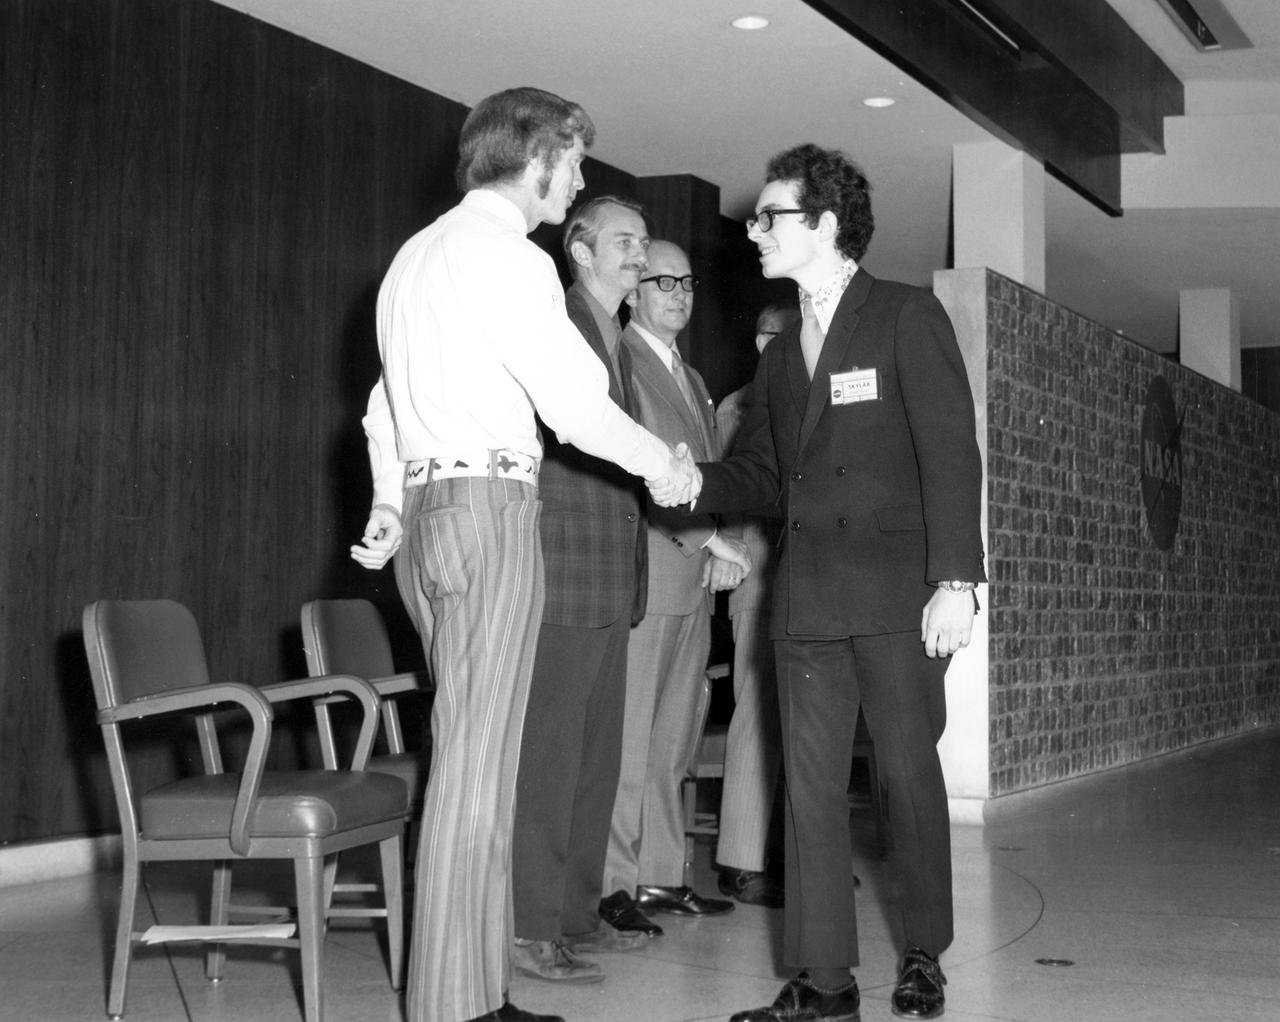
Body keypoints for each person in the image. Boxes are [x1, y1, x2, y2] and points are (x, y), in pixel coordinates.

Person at [350, 88, 697, 1022]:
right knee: (479, 768)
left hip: (427, 512)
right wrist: (662, 465)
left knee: (471, 755)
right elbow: (576, 404)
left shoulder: (412, 258)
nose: (578, 179)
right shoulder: (506, 256)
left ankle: (470, 991)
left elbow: (383, 409)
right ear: (537, 157)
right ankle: (456, 1005)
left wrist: (389, 503)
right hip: (493, 510)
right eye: (575, 162)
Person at [664, 144, 985, 1022]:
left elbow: (952, 453)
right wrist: (695, 480)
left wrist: (957, 579)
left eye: (772, 216)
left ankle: (922, 953)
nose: (754, 230)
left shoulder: (905, 316)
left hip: (896, 598)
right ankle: (823, 981)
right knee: (806, 794)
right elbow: (766, 475)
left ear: (828, 225)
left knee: (906, 782)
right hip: (806, 604)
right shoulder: (779, 357)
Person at [510, 195, 657, 985]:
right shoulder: (560, 320)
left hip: (609, 573)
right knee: (551, 762)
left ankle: (573, 915)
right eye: (624, 241)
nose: (639, 254)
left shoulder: (618, 337)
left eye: (641, 241)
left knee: (596, 761)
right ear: (580, 249)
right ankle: (531, 927)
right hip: (565, 568)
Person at [599, 240, 748, 935]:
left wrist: (721, 545)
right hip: (651, 570)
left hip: (691, 581)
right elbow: (642, 473)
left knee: (673, 739)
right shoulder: (621, 360)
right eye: (663, 281)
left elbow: (705, 473)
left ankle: (660, 875)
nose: (679, 293)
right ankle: (615, 882)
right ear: (633, 290)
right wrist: (707, 539)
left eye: (687, 281)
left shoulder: (688, 374)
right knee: (630, 741)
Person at [712, 303, 799, 909]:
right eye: (774, 336)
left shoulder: (809, 395)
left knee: (797, 723)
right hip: (757, 570)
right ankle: (741, 863)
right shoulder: (740, 405)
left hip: (807, 575)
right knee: (757, 716)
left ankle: (788, 859)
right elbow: (725, 487)